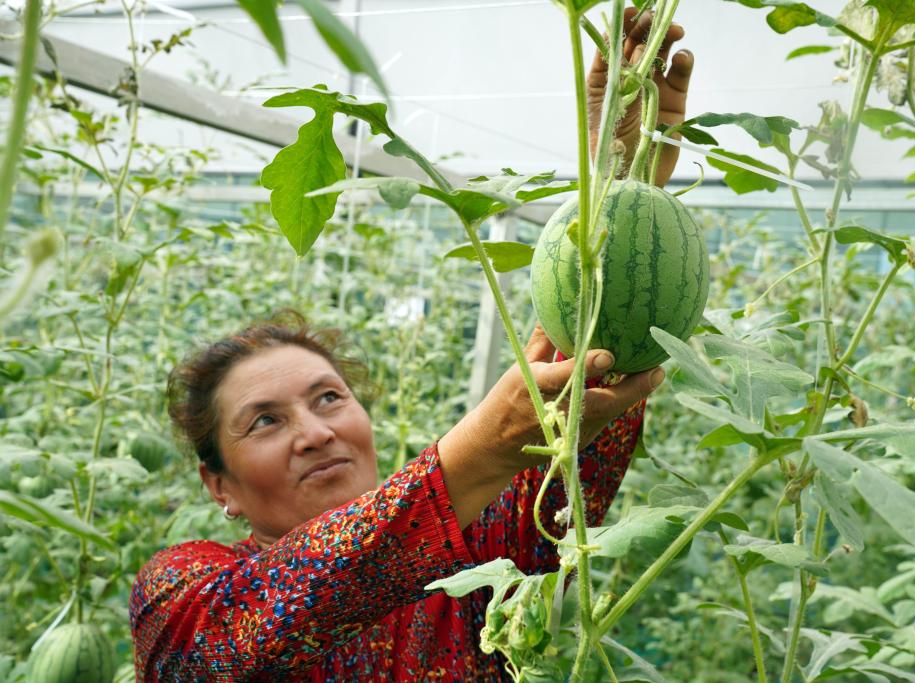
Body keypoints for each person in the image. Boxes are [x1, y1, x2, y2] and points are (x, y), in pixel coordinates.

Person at [130, 8, 693, 681]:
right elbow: (242, 635)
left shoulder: (474, 561)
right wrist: (479, 448)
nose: (315, 432)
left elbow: (585, 405)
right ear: (219, 484)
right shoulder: (178, 591)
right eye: (266, 421)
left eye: (328, 397)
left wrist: (620, 189)